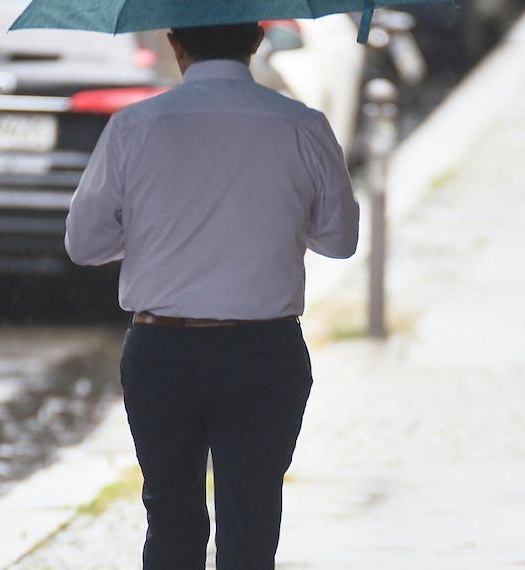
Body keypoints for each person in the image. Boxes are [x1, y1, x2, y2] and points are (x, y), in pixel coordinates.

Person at [65, 22, 359, 570]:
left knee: (171, 519)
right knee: (252, 522)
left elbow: (85, 244)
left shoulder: (133, 127)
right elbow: (340, 241)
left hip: (163, 351)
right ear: (256, 41)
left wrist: (153, 230)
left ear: (175, 45)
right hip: (264, 352)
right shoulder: (303, 125)